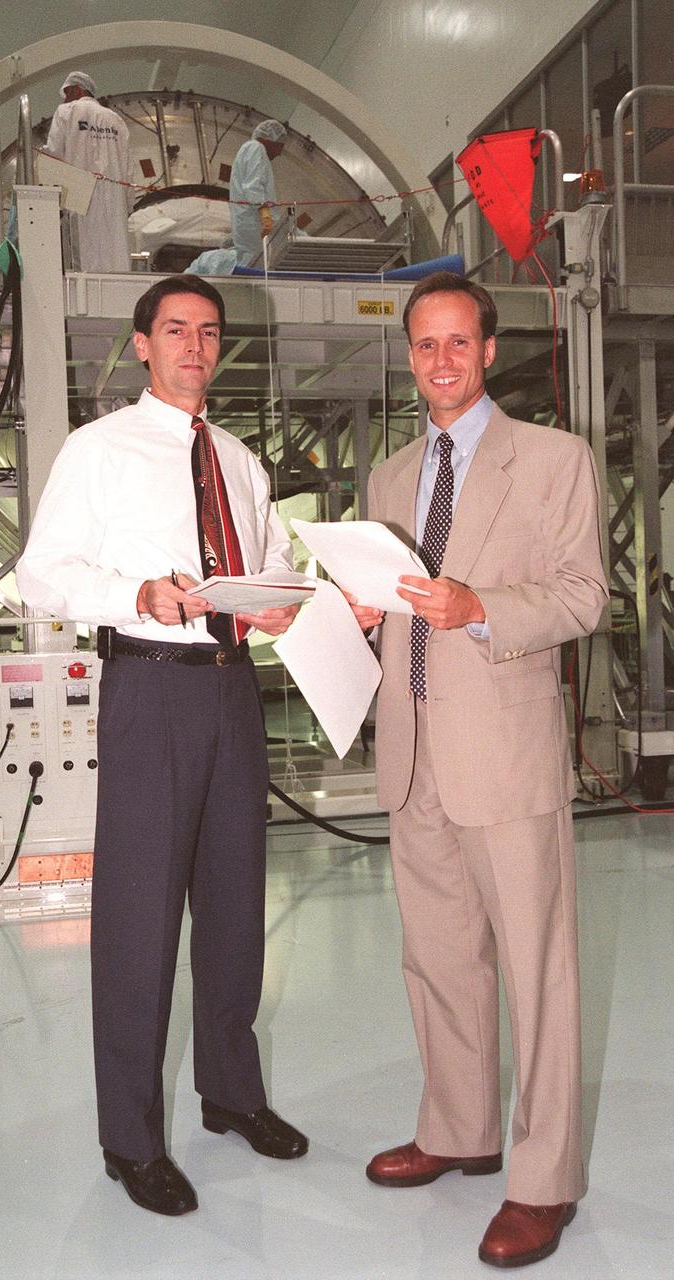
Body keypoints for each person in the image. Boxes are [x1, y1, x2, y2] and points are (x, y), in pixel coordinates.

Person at [16, 274, 307, 1217]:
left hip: (233, 690)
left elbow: (271, 562)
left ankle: (231, 1093)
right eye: (176, 329)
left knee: (234, 904)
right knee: (140, 919)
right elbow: (41, 573)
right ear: (142, 344)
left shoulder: (242, 462)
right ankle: (130, 1139)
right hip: (149, 685)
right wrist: (135, 595)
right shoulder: (99, 450)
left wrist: (281, 602)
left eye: (209, 332)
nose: (194, 346)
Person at [348, 272, 608, 1269]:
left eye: (459, 341)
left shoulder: (553, 460)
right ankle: (459, 1126)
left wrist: (481, 607)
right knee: (438, 957)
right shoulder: (387, 478)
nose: (442, 360)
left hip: (505, 754)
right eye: (425, 344)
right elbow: (391, 601)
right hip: (412, 752)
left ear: (489, 350)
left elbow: (583, 595)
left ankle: (544, 1181)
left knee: (539, 972)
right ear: (409, 356)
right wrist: (359, 613)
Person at [44, 71, 131, 273]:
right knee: (115, 255)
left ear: (77, 89)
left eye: (67, 93)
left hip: (78, 194)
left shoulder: (67, 111)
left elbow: (54, 154)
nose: (65, 99)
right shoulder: (116, 120)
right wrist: (128, 204)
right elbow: (128, 168)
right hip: (114, 200)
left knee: (82, 257)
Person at [229, 119, 287, 265]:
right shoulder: (256, 148)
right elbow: (253, 186)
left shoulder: (249, 149)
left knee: (252, 260)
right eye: (280, 146)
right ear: (269, 139)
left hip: (248, 222)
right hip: (253, 222)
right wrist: (266, 216)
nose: (280, 153)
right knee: (255, 262)